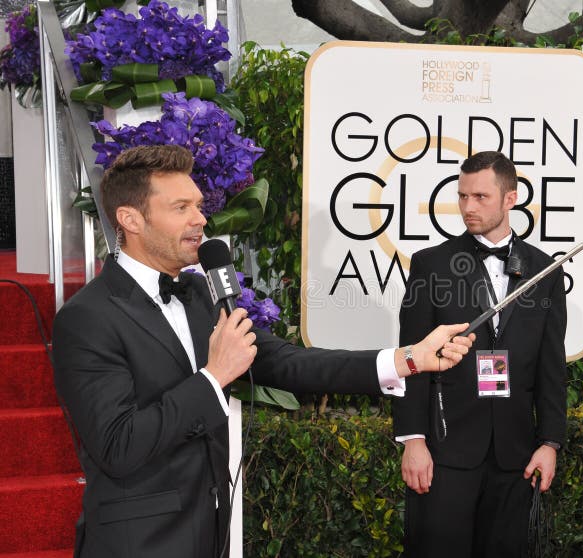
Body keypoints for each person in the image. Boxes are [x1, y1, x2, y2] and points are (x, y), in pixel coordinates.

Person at [52, 145, 474, 558]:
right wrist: (214, 378)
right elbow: (117, 446)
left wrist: (408, 358)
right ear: (131, 219)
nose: (200, 219)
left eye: (198, 206)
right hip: (137, 544)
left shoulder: (200, 293)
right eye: (181, 207)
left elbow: (285, 362)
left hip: (213, 533)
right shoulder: (87, 317)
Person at [392, 151, 567, 557]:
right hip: (445, 451)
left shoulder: (544, 271)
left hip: (516, 455)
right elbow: (411, 359)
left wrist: (550, 442)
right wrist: (413, 441)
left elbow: (551, 367)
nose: (468, 207)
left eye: (481, 197)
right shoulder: (430, 265)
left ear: (511, 198)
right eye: (463, 196)